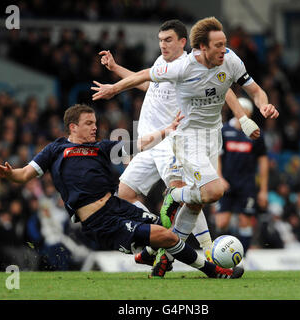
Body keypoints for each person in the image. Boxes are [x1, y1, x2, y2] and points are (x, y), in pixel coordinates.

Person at [91, 16, 278, 267]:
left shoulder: (187, 66)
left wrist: (243, 118)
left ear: (183, 42)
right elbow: (146, 82)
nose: (163, 45)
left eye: (168, 40)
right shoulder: (164, 64)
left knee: (192, 194)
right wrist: (115, 73)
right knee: (124, 195)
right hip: (149, 142)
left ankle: (200, 248)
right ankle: (158, 235)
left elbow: (227, 91)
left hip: (175, 139)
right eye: (160, 41)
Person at [0, 104, 244, 279]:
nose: (94, 127)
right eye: (88, 123)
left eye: (95, 123)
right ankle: (212, 270)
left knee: (166, 227)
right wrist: (9, 174)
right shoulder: (54, 150)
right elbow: (24, 174)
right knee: (164, 236)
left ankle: (147, 255)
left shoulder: (100, 147)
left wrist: (167, 130)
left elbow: (137, 144)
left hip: (116, 206)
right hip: (98, 220)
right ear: (72, 127)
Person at [214, 97, 269, 253]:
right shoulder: (224, 131)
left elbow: (263, 162)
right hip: (227, 183)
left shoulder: (256, 133)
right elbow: (216, 156)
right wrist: (219, 177)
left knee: (245, 221)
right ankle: (221, 254)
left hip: (247, 184)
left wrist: (263, 190)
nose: (244, 116)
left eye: (247, 113)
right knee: (221, 222)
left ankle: (241, 258)